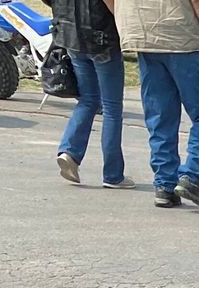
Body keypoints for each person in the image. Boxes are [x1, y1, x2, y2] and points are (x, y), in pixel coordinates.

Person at [107, 0, 199, 210]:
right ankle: (193, 175)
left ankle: (164, 185)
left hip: (145, 38)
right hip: (183, 39)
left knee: (160, 116)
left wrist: (128, 20)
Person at [52, 0, 132, 187]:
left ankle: (69, 152)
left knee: (88, 100)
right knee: (112, 108)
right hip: (101, 35)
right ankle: (113, 174)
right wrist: (125, 25)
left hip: (70, 33)